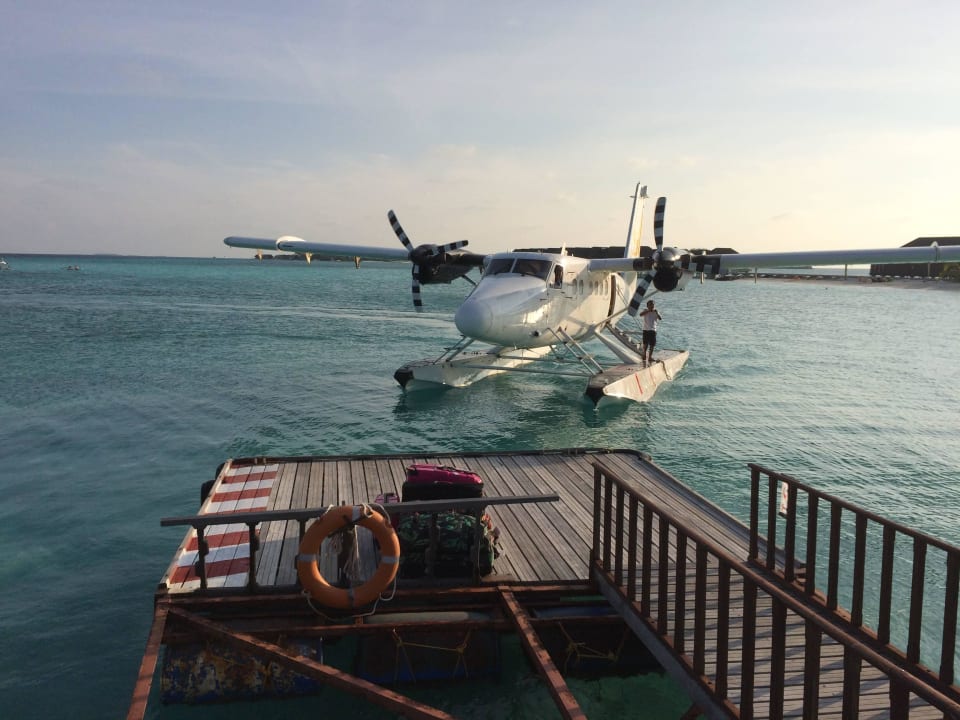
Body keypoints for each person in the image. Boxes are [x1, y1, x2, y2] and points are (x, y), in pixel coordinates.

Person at [638, 300, 662, 365]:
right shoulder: (645, 310)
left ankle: (650, 357)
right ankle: (644, 355)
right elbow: (640, 315)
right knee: (645, 344)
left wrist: (657, 313)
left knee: (652, 345)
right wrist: (648, 311)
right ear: (647, 306)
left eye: (653, 305)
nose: (652, 306)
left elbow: (660, 318)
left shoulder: (655, 311)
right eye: (650, 305)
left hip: (653, 330)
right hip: (646, 330)